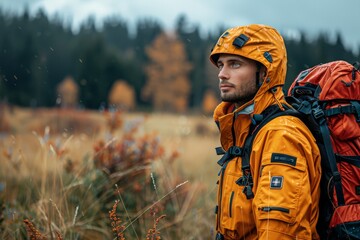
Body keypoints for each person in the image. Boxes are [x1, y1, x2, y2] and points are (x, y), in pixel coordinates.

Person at [209, 24, 321, 239]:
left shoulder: (281, 136)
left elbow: (280, 232)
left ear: (265, 72)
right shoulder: (247, 130)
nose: (222, 74)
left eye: (235, 64)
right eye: (221, 65)